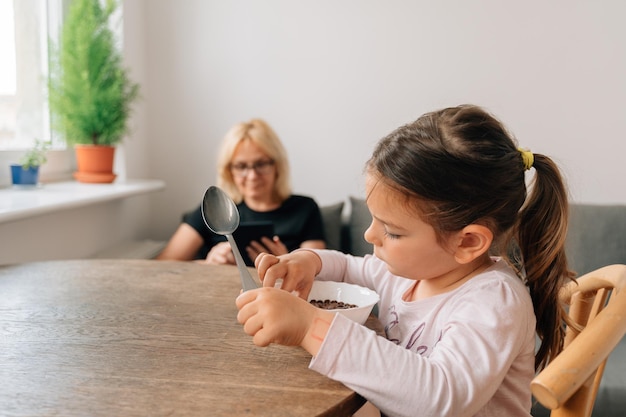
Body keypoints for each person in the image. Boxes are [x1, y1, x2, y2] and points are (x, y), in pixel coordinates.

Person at [235, 105, 575, 417]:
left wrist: (311, 327)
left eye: (392, 232)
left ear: (467, 242)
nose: (370, 236)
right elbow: (351, 267)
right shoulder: (411, 272)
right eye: (374, 220)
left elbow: (440, 398)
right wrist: (307, 262)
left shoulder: (493, 301)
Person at [157, 118, 326, 264]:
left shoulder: (305, 208)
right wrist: (207, 264)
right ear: (229, 171)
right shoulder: (214, 210)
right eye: (241, 166)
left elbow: (317, 272)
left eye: (261, 164)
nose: (252, 176)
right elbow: (164, 264)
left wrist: (285, 261)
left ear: (277, 166)